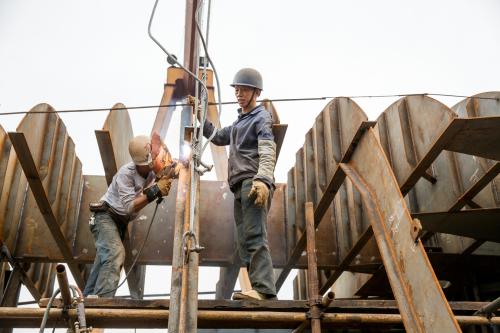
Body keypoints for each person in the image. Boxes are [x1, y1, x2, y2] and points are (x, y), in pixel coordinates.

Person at [201, 68, 277, 300]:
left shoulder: (260, 117)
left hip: (252, 183)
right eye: (236, 89)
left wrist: (263, 180)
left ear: (256, 92)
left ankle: (264, 290)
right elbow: (217, 137)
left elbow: (267, 150)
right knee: (244, 239)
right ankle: (257, 287)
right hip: (239, 187)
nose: (239, 93)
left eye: (244, 89)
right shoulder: (239, 123)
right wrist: (198, 115)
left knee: (254, 235)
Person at [83, 135, 175, 298]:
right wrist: (155, 191)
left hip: (118, 223)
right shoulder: (126, 173)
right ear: (145, 161)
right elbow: (129, 208)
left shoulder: (151, 172)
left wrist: (179, 167)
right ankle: (101, 303)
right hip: (105, 217)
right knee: (115, 253)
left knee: (103, 262)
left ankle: (86, 301)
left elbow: (169, 170)